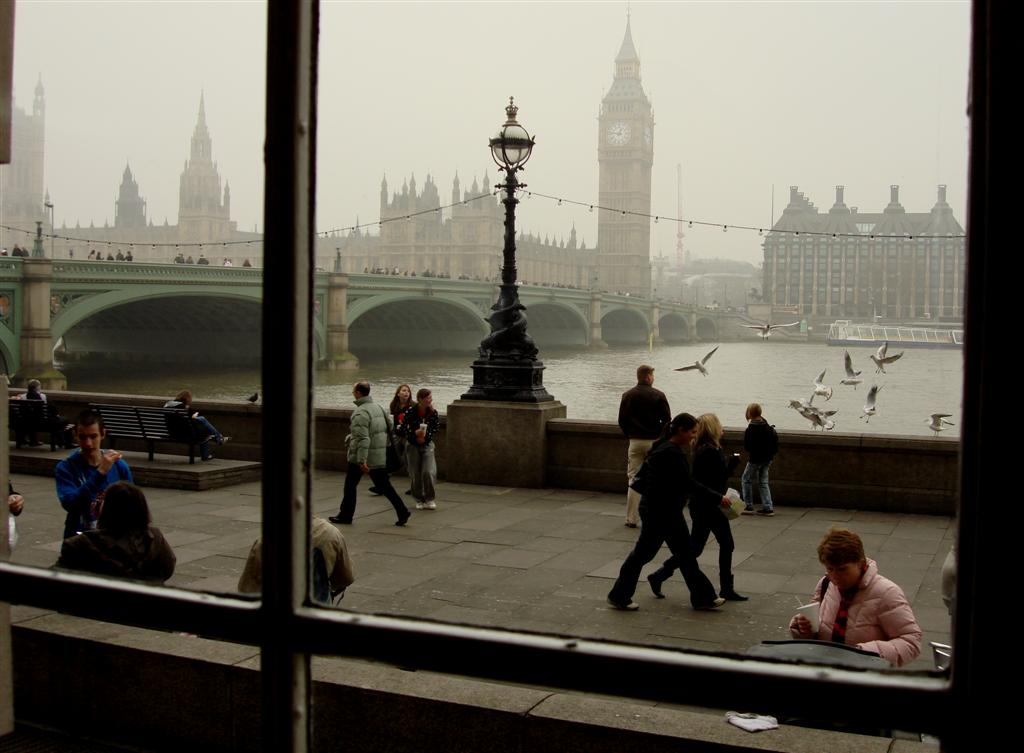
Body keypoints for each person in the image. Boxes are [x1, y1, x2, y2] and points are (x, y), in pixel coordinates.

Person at [607, 413, 727, 612]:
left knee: (684, 554)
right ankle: (619, 595)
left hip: (662, 510)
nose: (694, 436)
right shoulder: (670, 453)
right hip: (661, 512)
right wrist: (717, 497)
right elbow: (688, 483)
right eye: (692, 432)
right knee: (645, 554)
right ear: (681, 431)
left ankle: (703, 597)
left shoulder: (664, 448)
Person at [647, 413, 746, 601]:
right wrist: (730, 467)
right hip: (708, 506)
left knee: (699, 547)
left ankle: (660, 575)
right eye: (720, 424)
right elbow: (708, 481)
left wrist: (729, 466)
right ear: (713, 428)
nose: (722, 427)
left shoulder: (705, 448)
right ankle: (725, 588)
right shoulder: (708, 451)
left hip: (707, 505)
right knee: (712, 546)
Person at [789, 528, 921, 667]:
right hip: (827, 670)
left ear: (860, 563)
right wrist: (803, 628)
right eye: (830, 569)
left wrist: (865, 653)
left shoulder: (886, 593)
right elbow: (819, 629)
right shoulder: (826, 583)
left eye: (842, 569)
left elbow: (911, 642)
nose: (835, 576)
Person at [55, 482, 175, 583]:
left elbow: (55, 578)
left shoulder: (79, 545)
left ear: (107, 509)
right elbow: (167, 569)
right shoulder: (154, 538)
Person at [329, 381, 411, 526]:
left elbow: (363, 439)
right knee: (385, 486)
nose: (353, 392)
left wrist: (362, 461)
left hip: (361, 458)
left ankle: (346, 516)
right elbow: (390, 427)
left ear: (359, 393)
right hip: (378, 456)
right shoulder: (378, 407)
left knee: (350, 486)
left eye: (354, 390)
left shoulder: (360, 412)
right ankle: (402, 511)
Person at [237, 517, 354, 605]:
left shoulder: (266, 540)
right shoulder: (331, 533)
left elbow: (247, 588)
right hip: (319, 606)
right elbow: (346, 577)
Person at [55, 410, 134, 540]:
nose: (88, 443)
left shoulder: (119, 466)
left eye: (93, 436)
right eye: (82, 437)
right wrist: (100, 473)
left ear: (103, 434)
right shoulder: (66, 468)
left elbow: (132, 503)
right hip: (79, 538)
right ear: (75, 435)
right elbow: (70, 504)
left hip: (115, 538)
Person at [617, 364, 671, 528]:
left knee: (634, 479)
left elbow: (622, 420)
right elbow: (668, 421)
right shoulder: (658, 395)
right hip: (654, 442)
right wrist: (661, 439)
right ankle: (656, 516)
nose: (653, 378)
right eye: (652, 376)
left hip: (635, 441)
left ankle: (631, 518)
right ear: (648, 377)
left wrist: (630, 435)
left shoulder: (627, 395)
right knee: (657, 478)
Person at [398, 388, 439, 510]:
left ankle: (430, 498)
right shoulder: (411, 411)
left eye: (430, 398)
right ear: (420, 399)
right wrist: (414, 434)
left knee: (428, 472)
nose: (430, 400)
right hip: (412, 445)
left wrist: (425, 437)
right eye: (428, 398)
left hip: (427, 445)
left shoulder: (433, 413)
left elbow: (435, 428)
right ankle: (419, 499)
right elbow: (403, 428)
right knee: (415, 473)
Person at [164, 390, 231, 461]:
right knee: (204, 426)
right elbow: (190, 417)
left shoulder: (167, 404)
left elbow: (182, 420)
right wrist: (194, 414)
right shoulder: (182, 407)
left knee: (203, 427)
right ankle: (217, 440)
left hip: (171, 433)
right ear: (187, 399)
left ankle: (218, 438)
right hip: (183, 435)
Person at [741, 403, 778, 516]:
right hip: (767, 459)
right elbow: (774, 444)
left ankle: (748, 505)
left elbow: (747, 447)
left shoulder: (751, 429)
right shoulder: (767, 427)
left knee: (746, 479)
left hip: (755, 459)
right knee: (763, 482)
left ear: (750, 414)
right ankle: (768, 507)